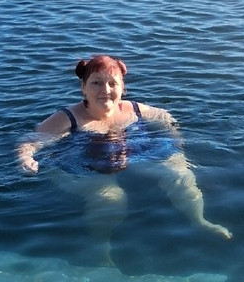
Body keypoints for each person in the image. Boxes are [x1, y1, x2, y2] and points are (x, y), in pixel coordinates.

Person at [17, 55, 230, 263]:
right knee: (110, 197)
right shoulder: (68, 118)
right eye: (97, 83)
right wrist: (26, 158)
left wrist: (175, 139)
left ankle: (200, 220)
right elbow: (30, 141)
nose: (105, 90)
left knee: (179, 174)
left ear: (123, 87)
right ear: (83, 87)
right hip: (81, 164)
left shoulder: (134, 109)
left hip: (137, 152)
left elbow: (164, 116)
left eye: (112, 83)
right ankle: (102, 248)